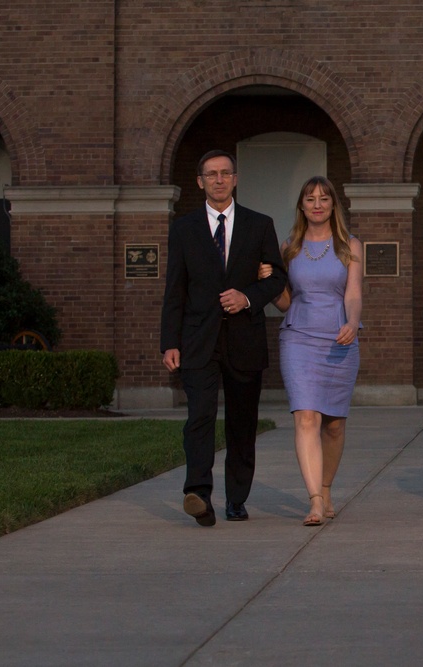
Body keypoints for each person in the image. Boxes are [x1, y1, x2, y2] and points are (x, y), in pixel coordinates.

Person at [160, 149, 287, 527]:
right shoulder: (184, 229)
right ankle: (198, 493)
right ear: (200, 182)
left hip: (244, 340)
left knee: (241, 423)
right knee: (198, 417)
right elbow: (175, 290)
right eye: (211, 174)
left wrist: (247, 296)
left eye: (225, 173)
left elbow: (277, 278)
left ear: (235, 179)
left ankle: (236, 499)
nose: (218, 179)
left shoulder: (259, 225)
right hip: (198, 340)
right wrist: (170, 342)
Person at [258, 176, 363, 526]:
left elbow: (353, 293)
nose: (317, 204)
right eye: (310, 199)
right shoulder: (289, 246)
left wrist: (352, 322)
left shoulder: (350, 245)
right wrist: (268, 284)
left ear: (333, 205)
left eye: (324, 199)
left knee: (333, 425)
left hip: (338, 339)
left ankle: (327, 486)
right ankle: (315, 501)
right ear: (301, 205)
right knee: (306, 416)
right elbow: (287, 302)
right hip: (298, 337)